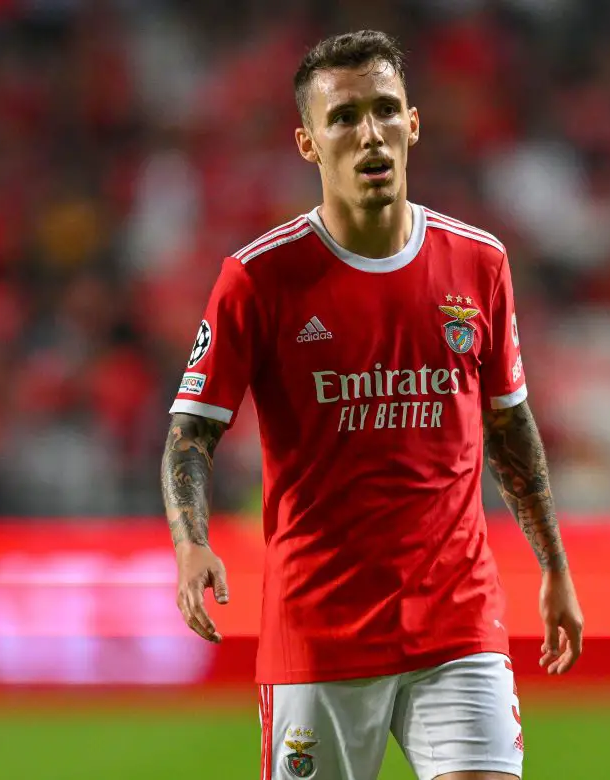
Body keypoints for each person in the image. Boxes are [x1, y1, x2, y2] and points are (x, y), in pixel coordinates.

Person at [160, 29, 583, 780]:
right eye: (344, 117)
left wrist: (553, 563)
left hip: (457, 621)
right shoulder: (258, 278)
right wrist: (191, 544)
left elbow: (509, 423)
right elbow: (191, 431)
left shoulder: (479, 263)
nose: (370, 133)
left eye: (386, 110)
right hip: (320, 630)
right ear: (308, 143)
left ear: (413, 124)